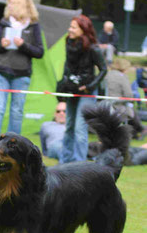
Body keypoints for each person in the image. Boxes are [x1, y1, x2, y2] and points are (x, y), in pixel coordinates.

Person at [0, 0, 44, 143]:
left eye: (12, 4)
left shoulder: (33, 26)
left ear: (21, 6)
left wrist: (23, 45)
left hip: (22, 75)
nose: (9, 6)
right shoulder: (5, 22)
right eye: (9, 4)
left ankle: (12, 147)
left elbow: (39, 52)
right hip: (2, 72)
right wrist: (2, 45)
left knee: (16, 112)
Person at [58, 14, 107, 164]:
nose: (70, 30)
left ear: (83, 29)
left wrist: (91, 86)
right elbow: (68, 65)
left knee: (80, 129)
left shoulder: (93, 49)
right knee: (69, 127)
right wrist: (65, 81)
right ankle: (64, 162)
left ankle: (79, 165)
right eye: (70, 26)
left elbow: (104, 69)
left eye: (73, 27)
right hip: (73, 90)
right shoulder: (69, 43)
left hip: (88, 92)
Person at [106, 58, 147, 140]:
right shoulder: (122, 77)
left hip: (105, 104)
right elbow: (129, 95)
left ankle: (137, 130)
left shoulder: (107, 75)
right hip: (118, 105)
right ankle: (140, 129)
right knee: (129, 107)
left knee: (128, 107)